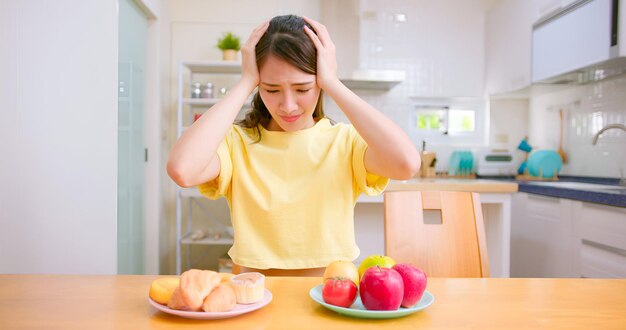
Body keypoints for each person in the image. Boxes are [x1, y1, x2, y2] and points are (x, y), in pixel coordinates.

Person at [167, 15, 420, 276]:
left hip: (330, 296)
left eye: (302, 89)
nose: (288, 106)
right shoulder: (237, 143)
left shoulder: (343, 142)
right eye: (272, 89)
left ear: (319, 84)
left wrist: (332, 82)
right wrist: (244, 82)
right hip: (254, 296)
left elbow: (406, 164)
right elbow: (182, 169)